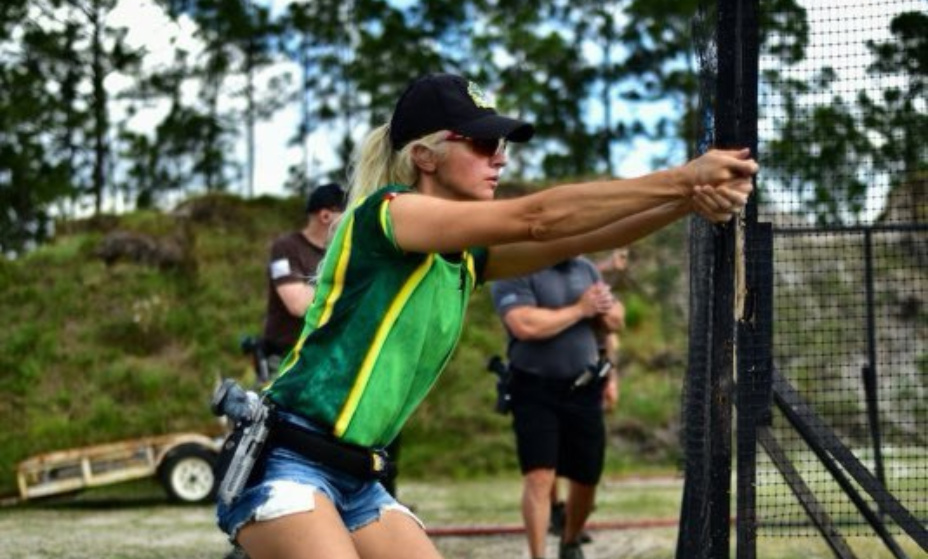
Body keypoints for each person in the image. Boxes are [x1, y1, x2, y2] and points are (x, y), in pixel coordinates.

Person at [215, 72, 757, 559]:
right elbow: (540, 218)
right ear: (424, 156)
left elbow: (584, 235)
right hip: (288, 460)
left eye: (500, 144)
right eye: (481, 142)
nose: (499, 156)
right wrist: (683, 177)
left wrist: (688, 201)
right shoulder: (389, 214)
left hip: (356, 476)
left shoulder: (465, 257)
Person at [491, 257, 623, 559]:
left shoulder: (585, 268)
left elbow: (616, 320)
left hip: (584, 389)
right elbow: (524, 324)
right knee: (539, 477)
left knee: (587, 477)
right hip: (533, 388)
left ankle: (570, 540)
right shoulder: (515, 267)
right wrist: (580, 309)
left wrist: (603, 312)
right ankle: (538, 555)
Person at [260, 182, 347, 381]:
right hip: (284, 359)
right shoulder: (286, 248)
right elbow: (298, 304)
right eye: (347, 215)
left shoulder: (339, 254)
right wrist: (345, 288)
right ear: (326, 216)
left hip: (321, 358)